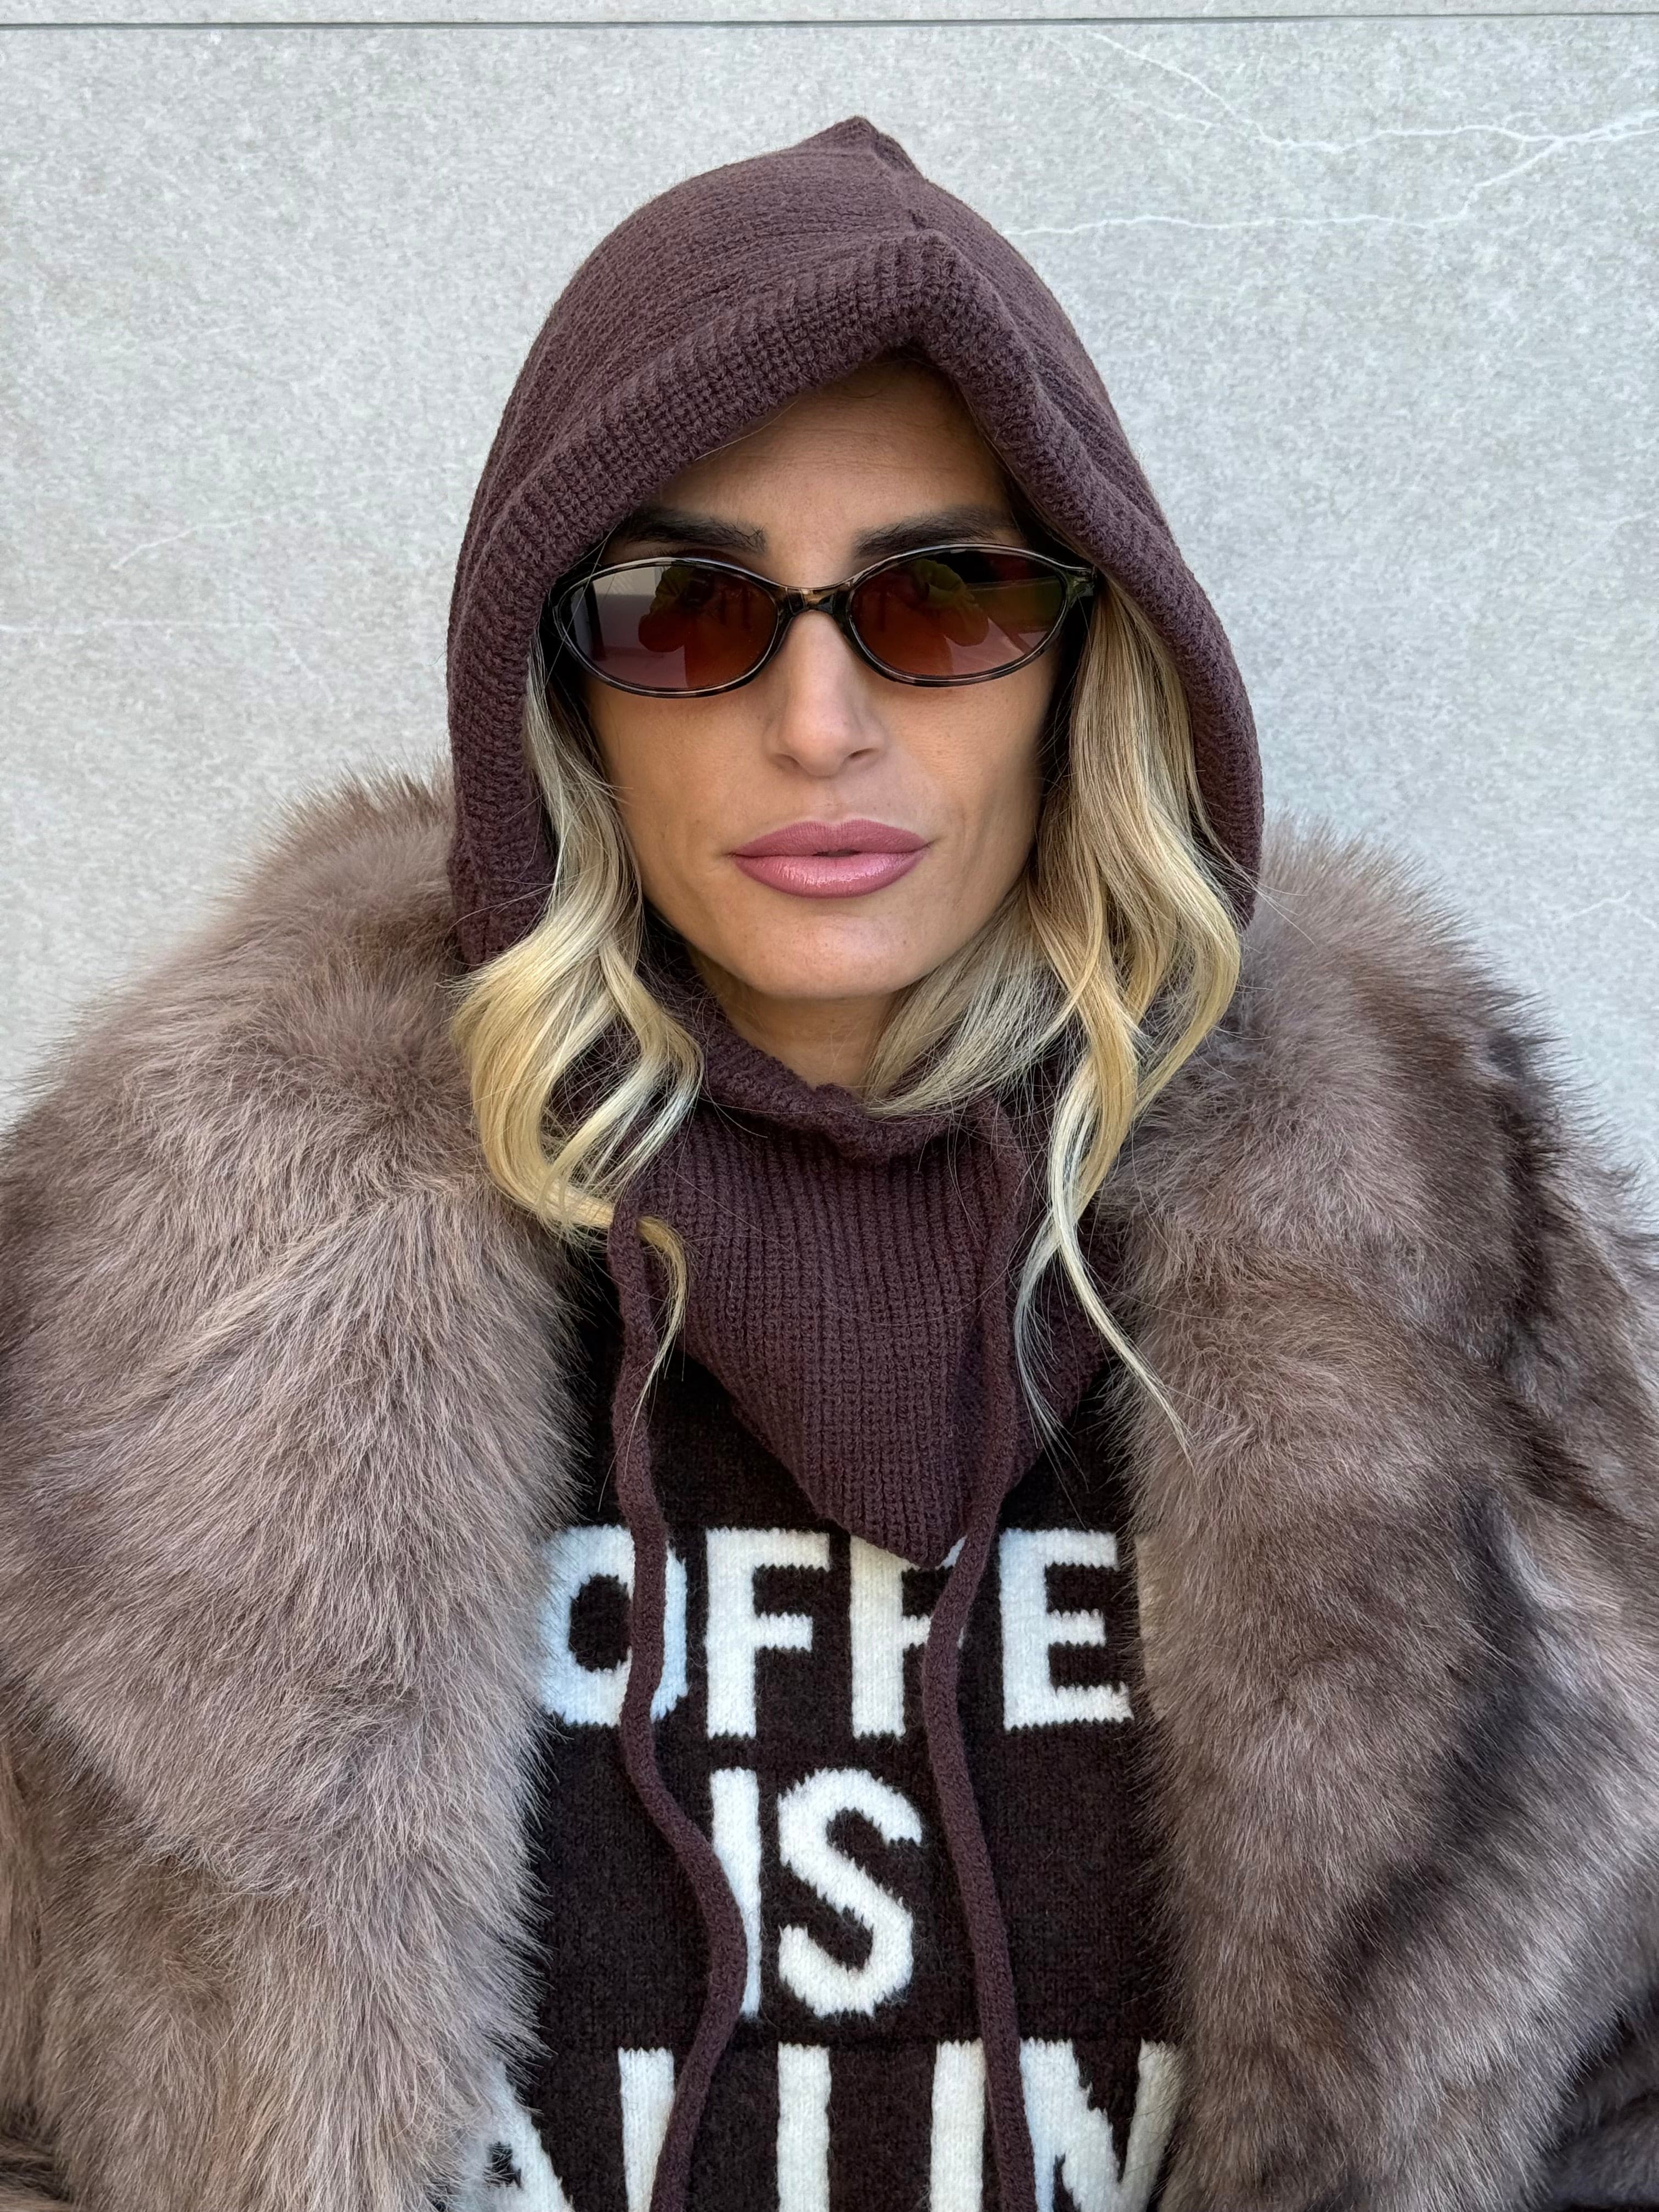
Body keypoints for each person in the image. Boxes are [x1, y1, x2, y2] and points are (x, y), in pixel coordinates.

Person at [0, 115, 1655, 2212]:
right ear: (561, 689)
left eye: (945, 600)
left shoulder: (1445, 1241)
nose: (813, 722)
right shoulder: (161, 1284)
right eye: (686, 612)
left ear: (1092, 662)